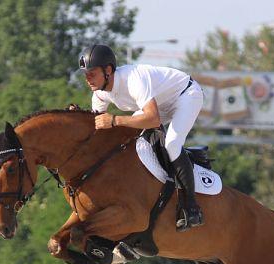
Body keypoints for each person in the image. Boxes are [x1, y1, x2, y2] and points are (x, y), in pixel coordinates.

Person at [79, 43, 204, 231]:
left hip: (185, 95)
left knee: (171, 144)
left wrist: (115, 120)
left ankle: (192, 208)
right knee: (131, 137)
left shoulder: (133, 79)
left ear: (108, 70)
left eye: (92, 73)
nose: (88, 79)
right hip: (160, 103)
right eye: (85, 74)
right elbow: (95, 126)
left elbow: (153, 119)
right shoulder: (100, 94)